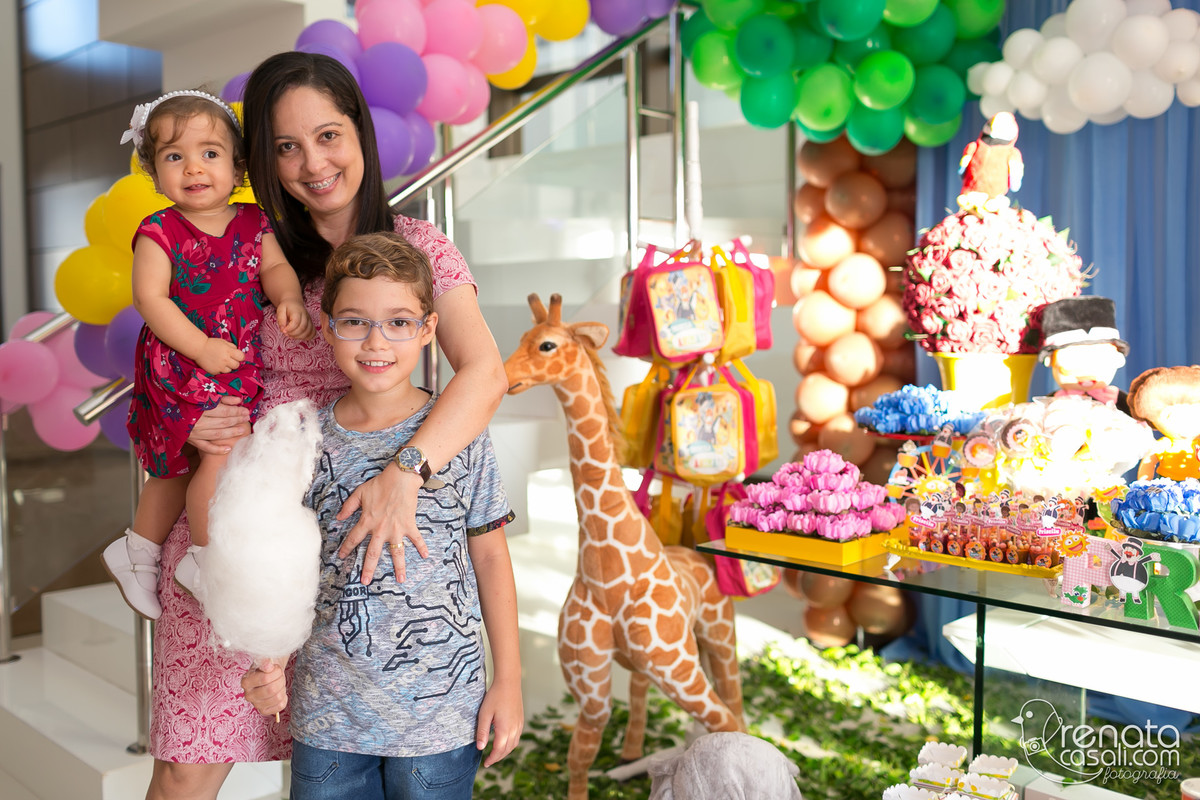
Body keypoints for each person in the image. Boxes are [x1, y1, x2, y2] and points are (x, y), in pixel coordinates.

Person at [144, 52, 508, 800]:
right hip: (243, 522)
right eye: (286, 145)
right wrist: (191, 418)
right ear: (261, 158)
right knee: (186, 767)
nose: (313, 164)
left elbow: (485, 373)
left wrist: (406, 474)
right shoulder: (243, 243)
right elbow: (169, 346)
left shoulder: (418, 245)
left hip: (364, 529)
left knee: (334, 756)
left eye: (329, 135)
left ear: (361, 133)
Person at [241, 232, 523, 798]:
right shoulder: (302, 439)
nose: (376, 342)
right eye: (354, 322)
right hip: (328, 717)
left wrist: (510, 680)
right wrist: (267, 660)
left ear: (428, 329)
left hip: (442, 718)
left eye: (398, 322)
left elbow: (490, 555)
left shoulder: (461, 433)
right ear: (327, 329)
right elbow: (283, 571)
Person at [101, 90, 314, 622]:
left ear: (238, 166)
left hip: (233, 357)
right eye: (174, 156)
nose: (193, 168)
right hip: (182, 360)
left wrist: (289, 297)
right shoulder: (159, 231)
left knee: (189, 462)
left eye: (210, 153)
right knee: (213, 453)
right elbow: (150, 299)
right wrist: (200, 347)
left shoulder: (254, 222)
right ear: (154, 173)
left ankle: (137, 549)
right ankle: (202, 557)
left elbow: (274, 270)